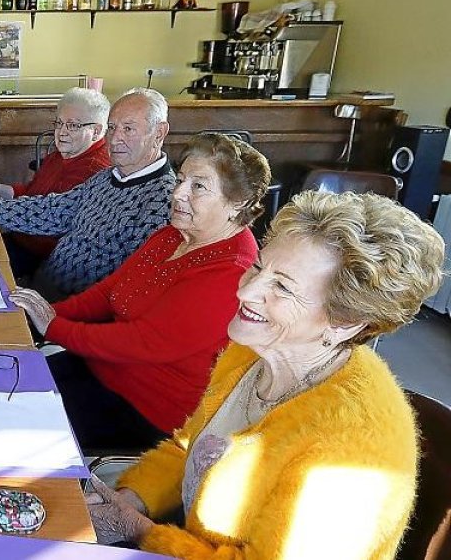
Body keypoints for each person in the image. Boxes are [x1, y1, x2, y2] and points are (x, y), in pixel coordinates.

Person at [87, 190, 444, 559]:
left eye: (282, 287)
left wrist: (140, 530)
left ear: (345, 322)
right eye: (259, 267)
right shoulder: (253, 348)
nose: (246, 291)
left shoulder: (352, 449)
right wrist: (128, 500)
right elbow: (190, 447)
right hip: (187, 535)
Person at [11, 133, 268, 451]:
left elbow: (141, 342)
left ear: (238, 203)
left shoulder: (232, 271)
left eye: (198, 186)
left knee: (15, 423)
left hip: (144, 413)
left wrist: (53, 326)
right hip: (100, 370)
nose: (178, 193)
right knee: (3, 381)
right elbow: (109, 292)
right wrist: (44, 314)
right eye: (182, 179)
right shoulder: (173, 234)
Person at [0, 87, 174, 302]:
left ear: (159, 132)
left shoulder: (163, 200)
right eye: (112, 128)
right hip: (40, 290)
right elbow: (54, 210)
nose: (114, 139)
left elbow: (129, 290)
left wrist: (54, 320)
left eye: (128, 129)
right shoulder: (108, 177)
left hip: (70, 310)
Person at [0, 87, 112, 279]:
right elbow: (33, 193)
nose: (61, 132)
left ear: (96, 131)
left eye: (73, 125)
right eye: (59, 123)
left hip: (44, 257)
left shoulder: (95, 170)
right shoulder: (60, 155)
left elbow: (50, 221)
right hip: (21, 238)